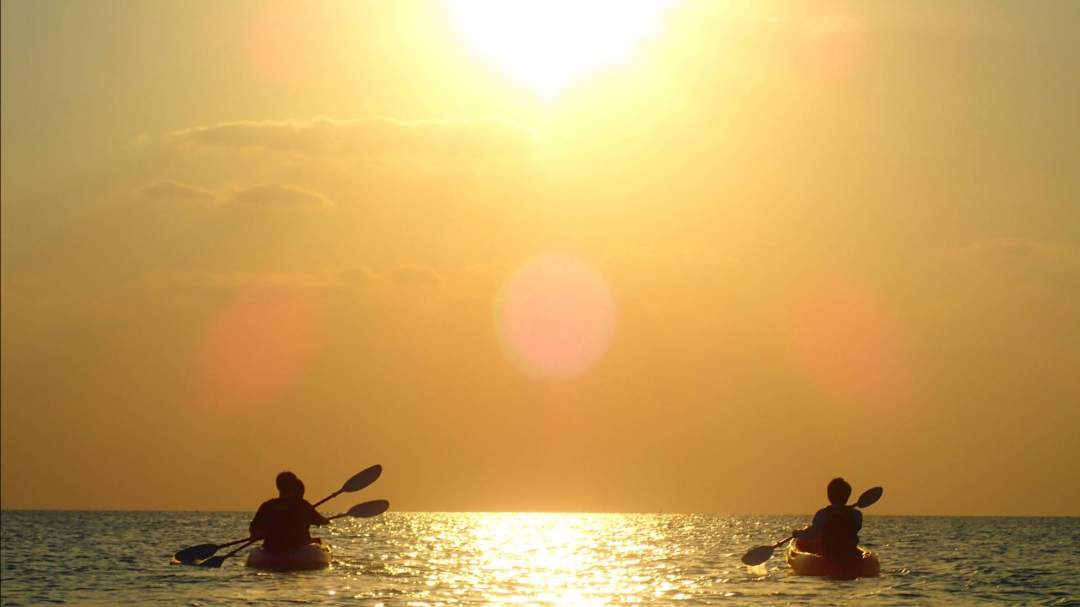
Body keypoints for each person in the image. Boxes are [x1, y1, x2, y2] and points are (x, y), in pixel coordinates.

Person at [249, 471, 330, 554]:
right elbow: (320, 520)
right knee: (318, 541)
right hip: (298, 546)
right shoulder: (302, 505)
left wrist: (255, 534)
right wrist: (326, 520)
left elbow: (254, 526)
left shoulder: (268, 505)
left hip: (272, 547)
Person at [792, 477, 862, 561]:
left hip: (829, 554)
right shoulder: (856, 514)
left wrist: (799, 534)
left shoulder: (823, 514)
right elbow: (857, 527)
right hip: (850, 553)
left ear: (829, 495)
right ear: (848, 496)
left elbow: (813, 533)